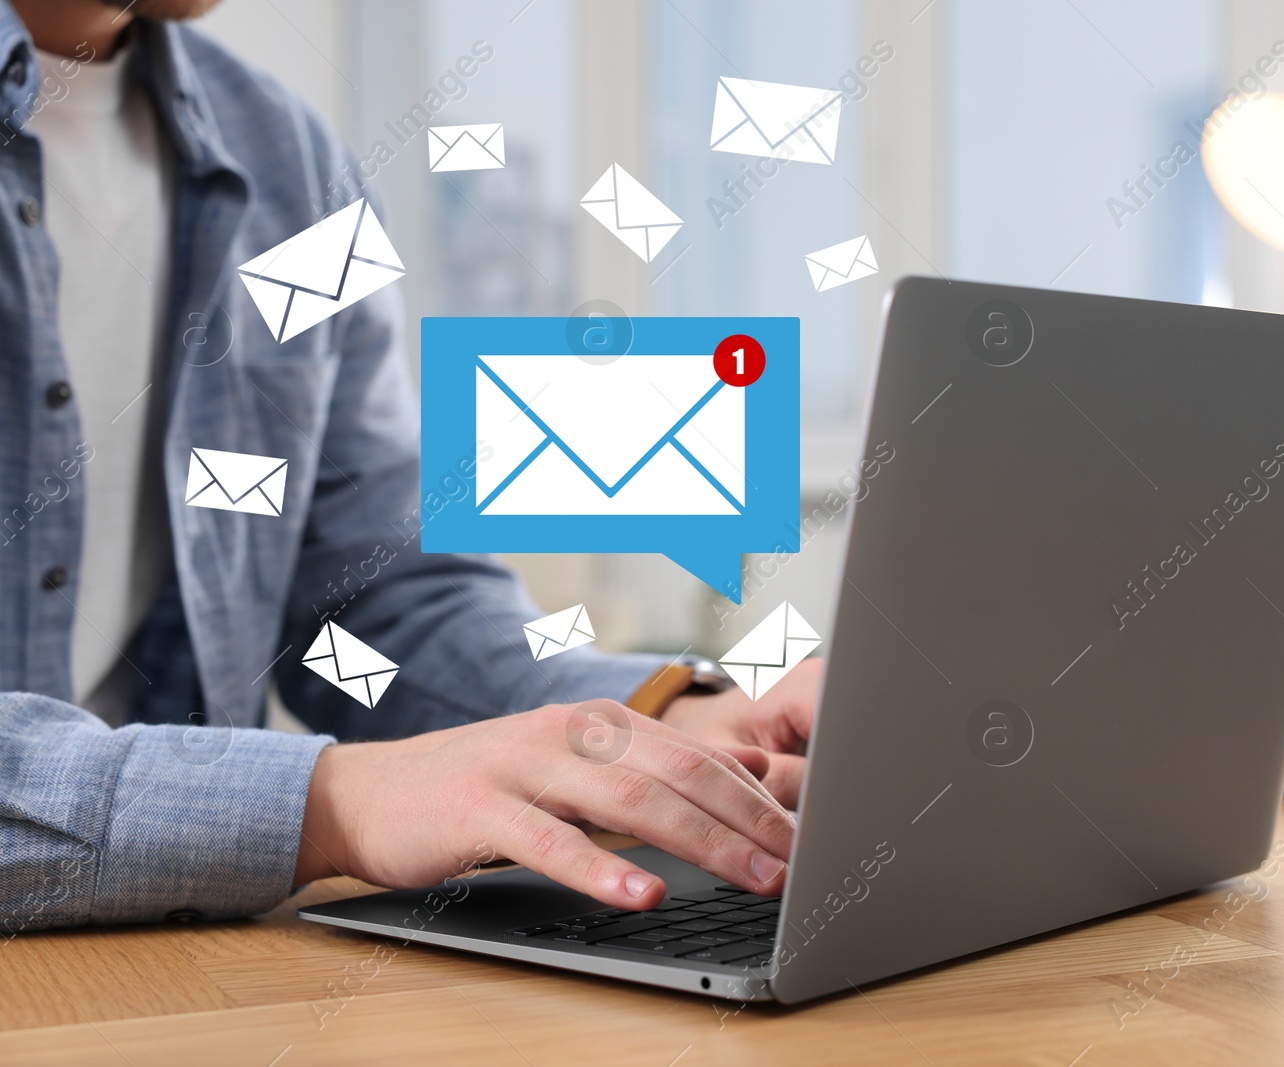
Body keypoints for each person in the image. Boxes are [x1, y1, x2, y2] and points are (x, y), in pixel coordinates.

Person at [0, 0, 817, 936]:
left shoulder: (291, 163)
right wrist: (330, 803)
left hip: (168, 961)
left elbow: (370, 600)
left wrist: (665, 726)